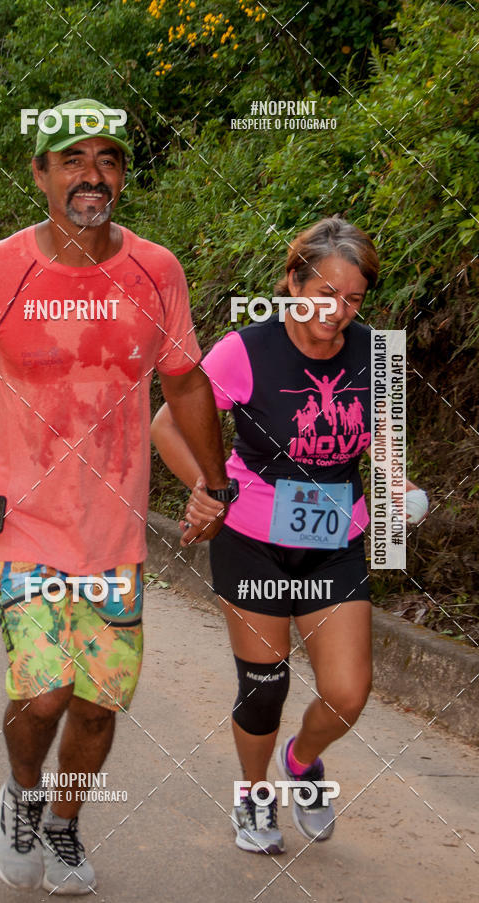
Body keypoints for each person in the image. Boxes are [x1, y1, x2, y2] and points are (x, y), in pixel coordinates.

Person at [0, 98, 231, 894]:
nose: (93, 175)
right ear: (40, 173)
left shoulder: (157, 272)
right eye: (73, 159)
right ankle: (20, 796)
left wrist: (213, 482)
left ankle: (65, 825)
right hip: (22, 518)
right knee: (45, 692)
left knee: (96, 703)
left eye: (109, 160)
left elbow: (185, 382)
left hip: (113, 531)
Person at [151, 216, 428, 855]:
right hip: (251, 535)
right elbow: (168, 424)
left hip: (335, 537)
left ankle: (302, 763)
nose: (336, 310)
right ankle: (254, 797)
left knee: (348, 691)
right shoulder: (245, 351)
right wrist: (208, 487)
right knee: (265, 684)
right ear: (292, 280)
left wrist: (397, 489)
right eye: (324, 291)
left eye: (353, 298)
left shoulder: (377, 354)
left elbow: (383, 445)